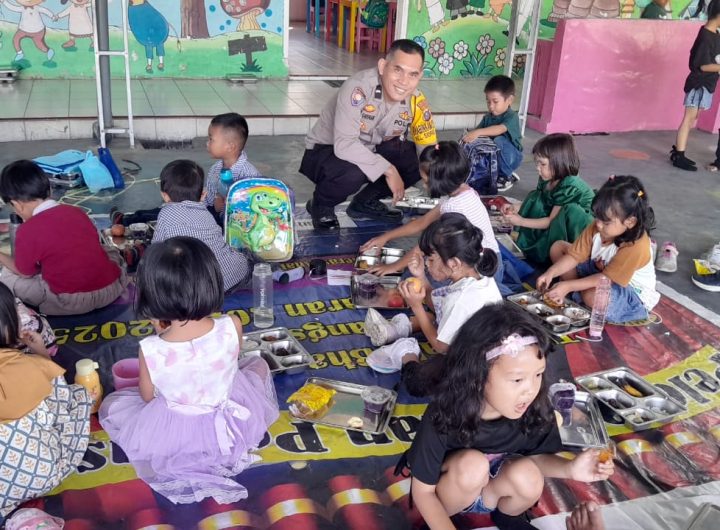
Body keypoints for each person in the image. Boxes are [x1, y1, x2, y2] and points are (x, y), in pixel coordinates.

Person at [396, 302, 614, 530]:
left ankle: (507, 517)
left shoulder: (532, 409)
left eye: (538, 374)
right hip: (452, 491)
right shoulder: (444, 414)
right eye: (517, 379)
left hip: (493, 491)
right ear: (477, 376)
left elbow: (536, 457)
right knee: (472, 466)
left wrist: (570, 469)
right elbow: (423, 492)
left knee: (529, 474)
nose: (530, 390)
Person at [99, 237, 279, 504]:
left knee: (116, 404)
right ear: (211, 282)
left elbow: (148, 396)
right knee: (257, 365)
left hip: (177, 431)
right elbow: (231, 362)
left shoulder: (152, 349)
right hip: (230, 416)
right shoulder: (232, 324)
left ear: (152, 295)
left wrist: (161, 335)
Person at [300, 39, 437, 229]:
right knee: (352, 173)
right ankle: (321, 205)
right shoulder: (358, 88)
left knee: (417, 161)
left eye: (412, 74)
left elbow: (428, 149)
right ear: (382, 66)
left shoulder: (416, 101)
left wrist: (441, 185)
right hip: (327, 151)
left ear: (420, 75)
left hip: (371, 149)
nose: (404, 81)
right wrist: (389, 170)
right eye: (397, 70)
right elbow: (344, 145)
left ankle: (365, 203)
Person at [360, 141, 508, 294]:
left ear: (439, 182)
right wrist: (385, 237)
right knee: (418, 269)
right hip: (489, 262)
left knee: (411, 280)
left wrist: (392, 267)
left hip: (479, 270)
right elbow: (423, 222)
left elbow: (425, 248)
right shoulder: (462, 191)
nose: (424, 186)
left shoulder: (454, 208)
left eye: (425, 182)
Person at [0, 282, 92, 518]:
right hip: (41, 476)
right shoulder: (33, 367)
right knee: (79, 396)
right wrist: (42, 355)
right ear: (9, 323)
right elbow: (60, 410)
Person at [365, 213, 501, 365]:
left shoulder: (460, 300)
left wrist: (417, 307)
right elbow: (440, 308)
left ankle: (405, 351)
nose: (426, 264)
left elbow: (440, 347)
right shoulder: (478, 278)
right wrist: (421, 276)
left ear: (454, 264)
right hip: (477, 349)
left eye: (430, 259)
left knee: (410, 346)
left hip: (469, 366)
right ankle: (393, 330)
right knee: (430, 318)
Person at [0, 160, 128, 316]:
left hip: (69, 302)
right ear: (50, 191)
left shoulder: (27, 230)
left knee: (7, 277)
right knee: (106, 250)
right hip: (110, 289)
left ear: (17, 204)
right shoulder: (78, 212)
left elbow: (25, 273)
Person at [537, 175, 658, 324]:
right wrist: (551, 273)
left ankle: (577, 292)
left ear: (630, 222)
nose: (599, 225)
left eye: (606, 222)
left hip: (630, 293)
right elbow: (574, 256)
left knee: (593, 296)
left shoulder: (636, 245)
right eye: (597, 217)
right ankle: (576, 291)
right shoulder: (598, 226)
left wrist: (568, 285)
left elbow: (607, 279)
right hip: (601, 271)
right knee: (558, 248)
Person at [151, 160, 252, 292]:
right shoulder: (206, 214)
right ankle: (273, 272)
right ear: (203, 195)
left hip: (191, 291)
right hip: (227, 280)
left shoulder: (165, 214)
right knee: (248, 256)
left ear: (165, 196)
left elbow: (155, 251)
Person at [501, 133, 594, 265]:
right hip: (557, 216)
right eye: (537, 163)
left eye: (542, 164)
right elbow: (543, 202)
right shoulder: (548, 177)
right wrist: (515, 207)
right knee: (535, 196)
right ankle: (535, 241)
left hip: (578, 225)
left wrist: (521, 221)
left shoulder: (569, 185)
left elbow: (552, 221)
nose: (537, 168)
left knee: (570, 211)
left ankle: (562, 252)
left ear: (559, 162)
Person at [670, 0, 720, 171]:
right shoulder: (706, 36)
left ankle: (679, 151)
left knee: (693, 117)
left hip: (707, 84)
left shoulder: (715, 34)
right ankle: (679, 155)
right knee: (688, 118)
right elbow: (703, 66)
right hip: (699, 83)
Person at [462, 75, 523, 192]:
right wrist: (469, 136)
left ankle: (506, 175)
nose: (491, 106)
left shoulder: (512, 116)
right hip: (495, 157)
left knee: (498, 140)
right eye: (488, 101)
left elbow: (499, 129)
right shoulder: (488, 117)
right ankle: (498, 172)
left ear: (509, 100)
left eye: (495, 102)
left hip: (513, 157)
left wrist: (478, 132)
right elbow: (475, 135)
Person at [204, 112, 262, 225]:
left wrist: (226, 205)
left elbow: (253, 209)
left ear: (230, 147)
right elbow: (209, 200)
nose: (207, 143)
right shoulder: (215, 169)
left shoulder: (249, 175)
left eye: (211, 139)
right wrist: (214, 201)